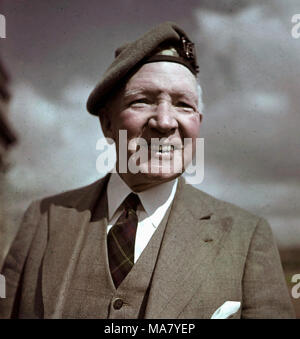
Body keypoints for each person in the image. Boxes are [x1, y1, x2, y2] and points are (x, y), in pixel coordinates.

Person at [0, 22, 295, 319]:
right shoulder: (41, 220)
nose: (165, 122)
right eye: (142, 101)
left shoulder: (247, 236)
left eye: (183, 105)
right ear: (107, 123)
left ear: (198, 123)